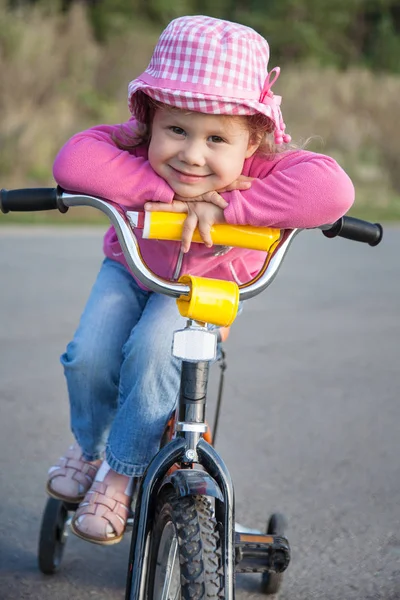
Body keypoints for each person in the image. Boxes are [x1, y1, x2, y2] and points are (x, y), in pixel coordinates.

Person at [47, 15, 354, 545]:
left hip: (201, 292)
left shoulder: (264, 166)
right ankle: (88, 445)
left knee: (149, 355)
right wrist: (170, 195)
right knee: (89, 355)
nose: (192, 154)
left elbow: (333, 192)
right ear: (150, 119)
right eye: (177, 131)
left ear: (253, 140)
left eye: (217, 138)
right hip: (132, 271)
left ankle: (117, 476)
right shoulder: (135, 144)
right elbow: (74, 160)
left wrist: (235, 206)